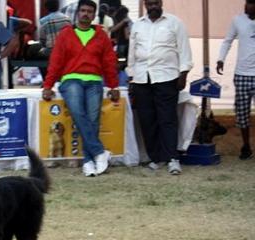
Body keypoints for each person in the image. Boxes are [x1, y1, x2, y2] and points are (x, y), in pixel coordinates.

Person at [42, 0, 119, 177]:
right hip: (71, 80)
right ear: (77, 13)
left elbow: (109, 63)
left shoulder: (101, 35)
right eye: (83, 10)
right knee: (78, 113)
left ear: (94, 15)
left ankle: (88, 161)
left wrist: (113, 85)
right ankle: (100, 152)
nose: (85, 14)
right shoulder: (66, 34)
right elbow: (56, 61)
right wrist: (48, 84)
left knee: (92, 121)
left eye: (89, 12)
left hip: (94, 80)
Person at [127, 0, 193, 174]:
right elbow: (132, 54)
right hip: (142, 79)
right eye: (149, 4)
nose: (153, 6)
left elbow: (184, 50)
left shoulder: (174, 22)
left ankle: (173, 159)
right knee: (147, 121)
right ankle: (156, 158)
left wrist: (183, 74)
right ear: (145, 5)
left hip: (167, 77)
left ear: (161, 3)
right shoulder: (137, 26)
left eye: (156, 3)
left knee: (168, 119)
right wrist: (131, 77)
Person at [217, 0, 255, 160]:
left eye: (252, 3)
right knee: (242, 114)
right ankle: (246, 146)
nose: (248, 6)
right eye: (248, 3)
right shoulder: (237, 20)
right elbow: (227, 40)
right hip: (242, 75)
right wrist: (220, 59)